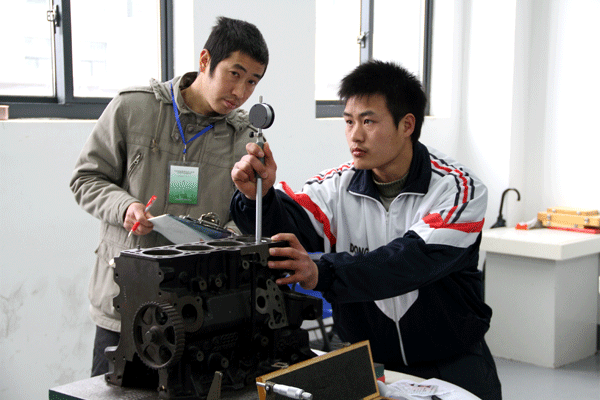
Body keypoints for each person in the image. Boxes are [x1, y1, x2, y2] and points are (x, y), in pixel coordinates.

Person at [230, 61, 502, 399]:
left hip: (454, 362)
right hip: (369, 362)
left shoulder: (458, 190)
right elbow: (292, 224)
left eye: (368, 121)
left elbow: (409, 262)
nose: (355, 135)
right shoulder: (336, 187)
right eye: (349, 121)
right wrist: (259, 197)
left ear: (407, 124)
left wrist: (323, 272)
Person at [70, 16, 269, 377]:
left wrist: (229, 233)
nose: (241, 92)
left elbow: (246, 218)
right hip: (124, 302)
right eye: (235, 74)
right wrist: (125, 206)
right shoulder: (134, 109)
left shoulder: (245, 138)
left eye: (253, 81)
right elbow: (86, 178)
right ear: (205, 61)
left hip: (196, 311)